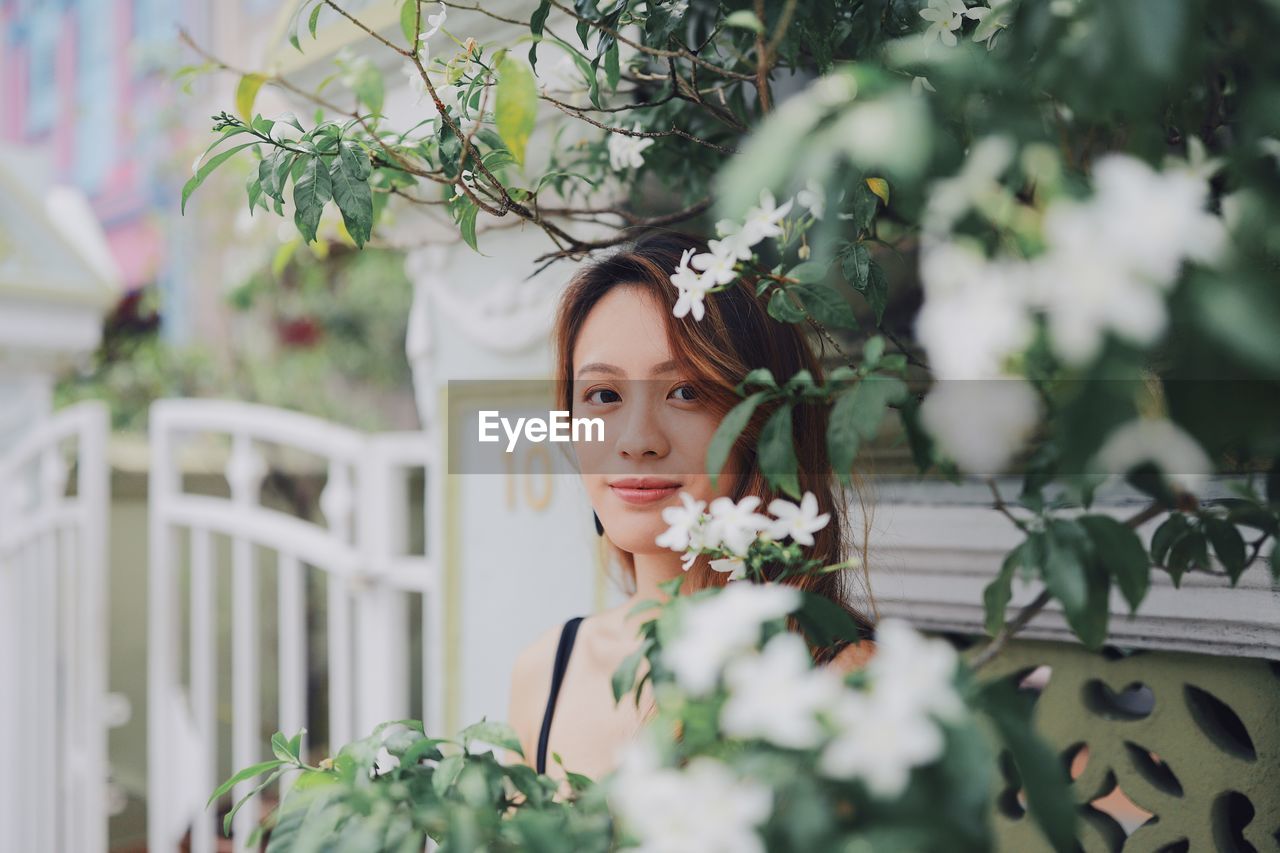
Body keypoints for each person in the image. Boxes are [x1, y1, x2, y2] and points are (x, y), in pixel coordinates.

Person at [506, 232, 877, 789]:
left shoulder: (846, 683)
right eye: (603, 395)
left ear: (766, 422)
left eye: (685, 391)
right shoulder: (545, 672)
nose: (636, 441)